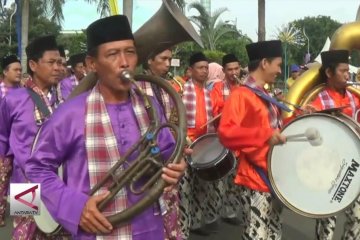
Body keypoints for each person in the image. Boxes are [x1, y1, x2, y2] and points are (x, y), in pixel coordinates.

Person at [25, 15, 187, 240]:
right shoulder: (60, 109)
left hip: (149, 227)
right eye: (112, 54)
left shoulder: (149, 105)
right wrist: (74, 207)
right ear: (92, 64)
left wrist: (177, 165)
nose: (124, 62)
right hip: (24, 182)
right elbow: (32, 165)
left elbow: (169, 154)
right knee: (25, 229)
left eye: (130, 52)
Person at [218, 40, 286, 240]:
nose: (280, 70)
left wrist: (299, 117)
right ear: (265, 63)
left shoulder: (264, 93)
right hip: (255, 178)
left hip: (272, 175)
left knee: (273, 233)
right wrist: (264, 135)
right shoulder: (240, 95)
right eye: (278, 65)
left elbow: (275, 127)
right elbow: (226, 133)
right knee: (256, 235)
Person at [0, 35, 62, 238]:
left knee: (57, 231)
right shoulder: (13, 99)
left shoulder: (64, 98)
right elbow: (2, 137)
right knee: (24, 233)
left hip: (59, 180)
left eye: (60, 62)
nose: (57, 67)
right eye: (51, 62)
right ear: (34, 65)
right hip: (25, 181)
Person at [306, 50, 360, 240]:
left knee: (357, 218)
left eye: (348, 70)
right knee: (327, 220)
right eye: (343, 71)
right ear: (329, 73)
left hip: (354, 164)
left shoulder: (355, 97)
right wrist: (308, 117)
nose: (348, 75)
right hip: (327, 168)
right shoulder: (317, 99)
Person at [138, 47, 184, 239]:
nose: (168, 64)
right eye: (163, 59)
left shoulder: (166, 87)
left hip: (165, 162)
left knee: (167, 216)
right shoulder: (137, 87)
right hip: (35, 171)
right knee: (34, 216)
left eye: (169, 59)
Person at [181, 52, 222, 236]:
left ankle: (196, 223)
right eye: (200, 67)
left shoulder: (208, 93)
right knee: (184, 189)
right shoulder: (180, 89)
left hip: (203, 147)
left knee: (201, 188)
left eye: (206, 67)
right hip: (185, 147)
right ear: (190, 70)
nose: (204, 71)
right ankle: (182, 227)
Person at [210, 53, 242, 226]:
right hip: (223, 142)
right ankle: (213, 215)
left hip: (241, 144)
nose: (233, 72)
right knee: (218, 182)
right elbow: (214, 112)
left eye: (236, 68)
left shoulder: (245, 87)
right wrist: (227, 107)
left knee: (235, 181)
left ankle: (230, 213)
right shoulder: (218, 88)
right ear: (224, 71)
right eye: (229, 69)